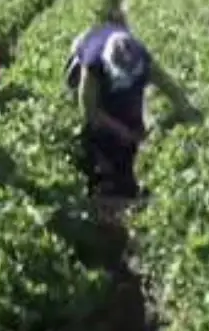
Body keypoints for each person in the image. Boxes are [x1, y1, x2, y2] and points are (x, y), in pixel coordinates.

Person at [66, 20, 201, 205]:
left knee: (128, 115)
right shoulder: (93, 64)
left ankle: (126, 175)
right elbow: (90, 112)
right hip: (88, 63)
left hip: (119, 75)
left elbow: (169, 86)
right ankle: (101, 176)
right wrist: (122, 131)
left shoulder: (142, 58)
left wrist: (186, 109)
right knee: (98, 133)